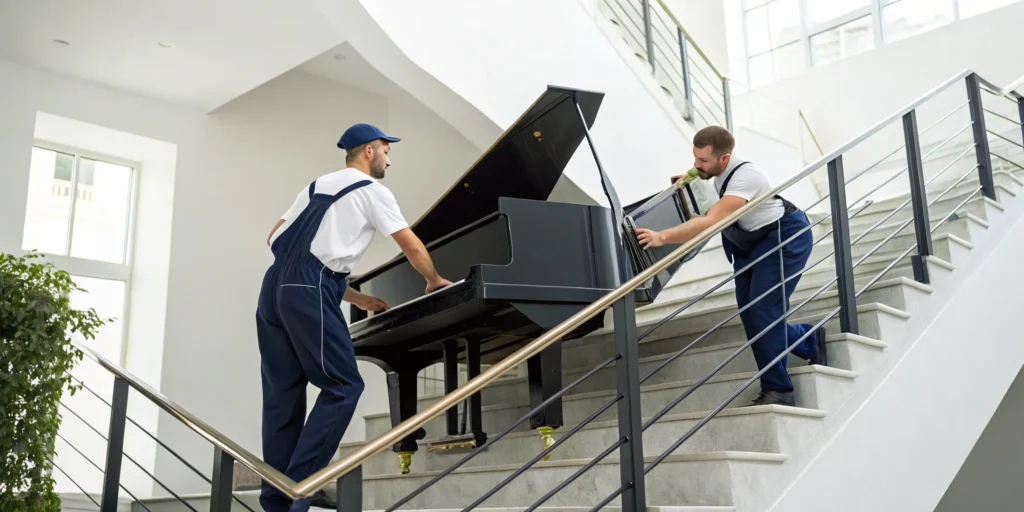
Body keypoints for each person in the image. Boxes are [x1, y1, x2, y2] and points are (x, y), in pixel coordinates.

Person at [256, 123, 452, 511]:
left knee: (283, 396)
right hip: (311, 288)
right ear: (367, 151)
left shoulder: (316, 186)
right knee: (344, 386)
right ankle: (303, 486)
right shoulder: (374, 192)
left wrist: (351, 294)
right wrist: (433, 279)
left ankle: (276, 500)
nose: (389, 160)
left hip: (275, 288)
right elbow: (410, 245)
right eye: (385, 150)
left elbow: (275, 238)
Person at [635, 126, 828, 407]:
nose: (696, 165)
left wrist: (661, 236)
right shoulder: (717, 175)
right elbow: (716, 202)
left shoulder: (746, 177)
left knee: (764, 310)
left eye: (703, 161)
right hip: (751, 242)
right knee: (752, 315)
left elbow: (712, 221)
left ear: (724, 159)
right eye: (695, 158)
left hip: (784, 237)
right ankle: (808, 340)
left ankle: (779, 390)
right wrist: (694, 180)